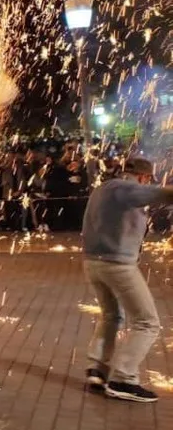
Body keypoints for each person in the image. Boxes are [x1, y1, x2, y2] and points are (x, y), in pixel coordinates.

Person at [82, 156, 173, 403]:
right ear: (143, 177)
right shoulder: (125, 189)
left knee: (112, 316)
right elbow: (161, 194)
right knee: (147, 322)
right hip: (117, 264)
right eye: (147, 180)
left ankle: (97, 370)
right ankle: (124, 379)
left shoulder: (105, 187)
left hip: (93, 262)